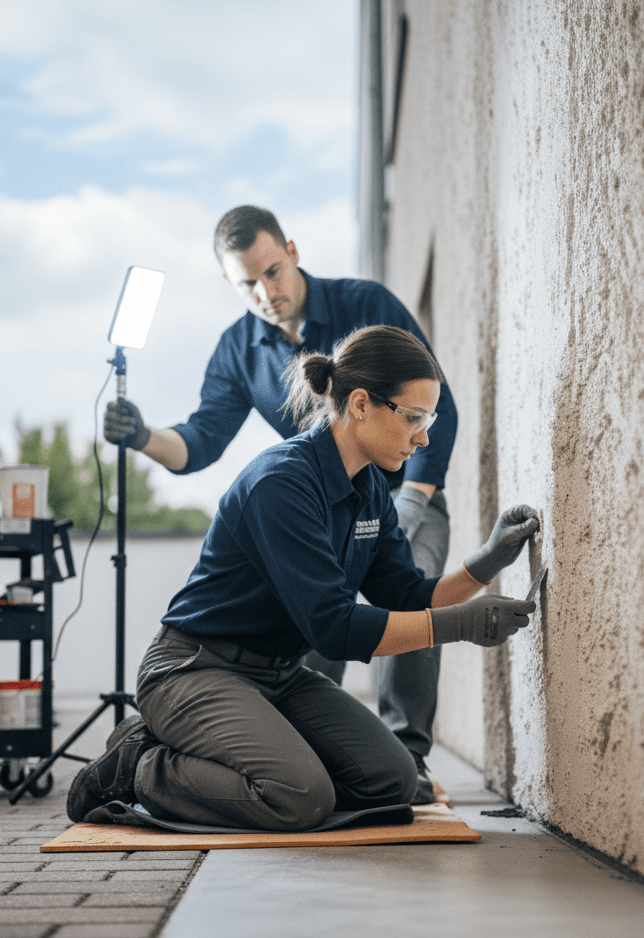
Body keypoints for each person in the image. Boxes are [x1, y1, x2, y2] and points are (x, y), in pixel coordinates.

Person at [71, 325, 537, 832]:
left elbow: (407, 595)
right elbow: (334, 628)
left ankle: (260, 759)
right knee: (299, 797)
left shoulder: (370, 488)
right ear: (361, 404)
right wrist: (462, 625)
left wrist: (488, 561)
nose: (423, 437)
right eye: (414, 417)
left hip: (277, 675)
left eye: (430, 419)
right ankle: (138, 764)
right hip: (194, 669)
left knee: (393, 780)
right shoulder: (282, 483)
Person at [104, 205, 458, 803]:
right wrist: (142, 436)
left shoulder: (364, 304)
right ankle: (283, 755)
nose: (266, 293)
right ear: (229, 282)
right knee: (323, 621)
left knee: (411, 586)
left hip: (404, 488)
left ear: (292, 251)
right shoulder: (240, 351)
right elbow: (200, 442)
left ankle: (410, 753)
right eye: (247, 283)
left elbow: (429, 407)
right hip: (316, 503)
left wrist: (413, 504)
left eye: (272, 272)